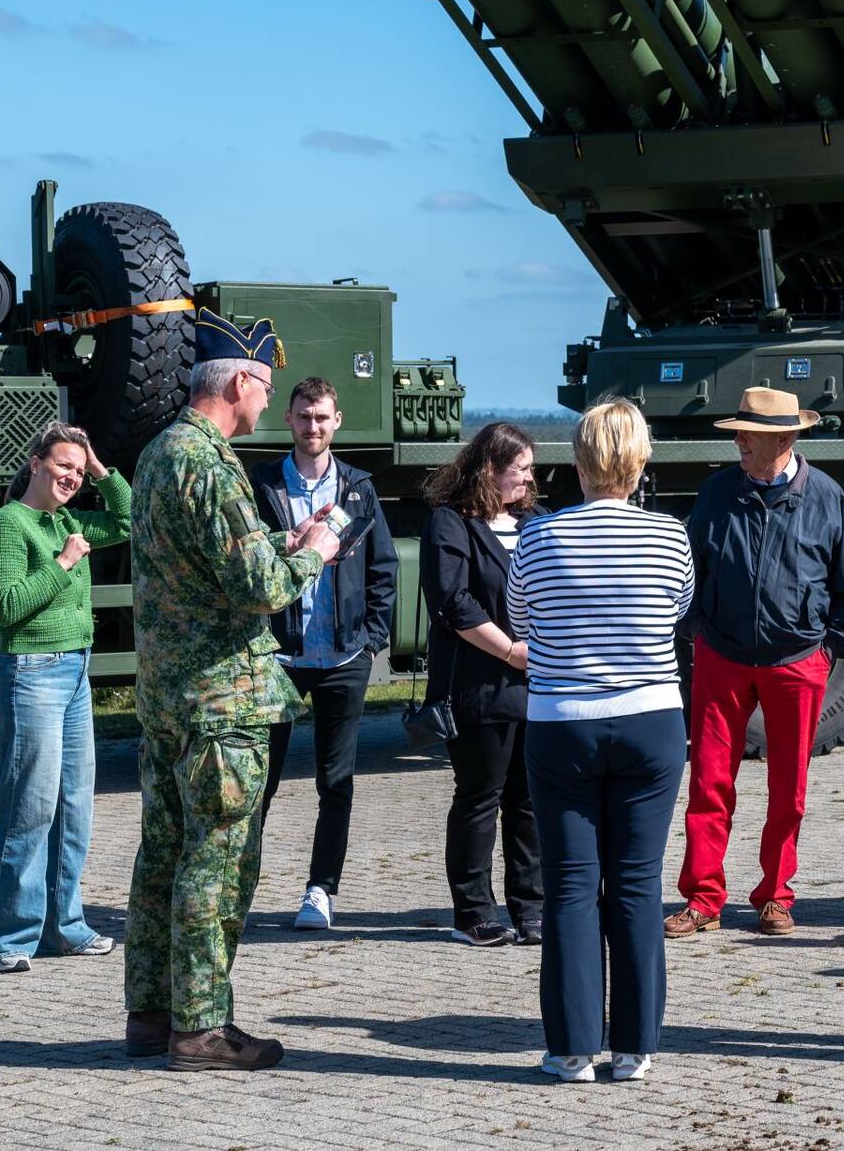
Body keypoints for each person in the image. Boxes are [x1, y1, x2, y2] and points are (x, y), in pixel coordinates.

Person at [122, 311, 344, 1070]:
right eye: (267, 386)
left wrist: (273, 540)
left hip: (169, 698)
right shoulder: (212, 464)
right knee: (214, 867)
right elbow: (258, 588)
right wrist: (312, 550)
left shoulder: (160, 453)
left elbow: (199, 563)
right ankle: (201, 1025)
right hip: (221, 703)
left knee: (162, 858)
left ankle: (151, 1013)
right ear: (242, 383)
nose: (268, 399)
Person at [506, 399, 693, 1083]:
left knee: (571, 886)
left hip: (563, 721)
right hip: (650, 718)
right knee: (638, 883)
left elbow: (520, 615)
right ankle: (636, 1045)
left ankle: (571, 1047)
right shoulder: (670, 536)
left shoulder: (538, 537)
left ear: (579, 461)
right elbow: (676, 609)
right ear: (639, 460)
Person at [666, 386, 844, 940]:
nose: (738, 442)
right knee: (708, 782)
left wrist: (829, 650)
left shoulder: (826, 496)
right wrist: (696, 636)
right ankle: (703, 897)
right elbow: (691, 571)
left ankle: (776, 896)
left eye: (748, 434)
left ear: (783, 438)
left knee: (789, 789)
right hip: (722, 660)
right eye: (737, 432)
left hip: (798, 663)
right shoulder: (715, 493)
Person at [0, 423, 132, 973]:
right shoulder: (7, 525)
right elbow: (10, 608)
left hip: (75, 670)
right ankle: (5, 938)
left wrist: (100, 467)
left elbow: (129, 520)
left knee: (73, 809)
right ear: (36, 463)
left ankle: (62, 928)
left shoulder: (69, 519)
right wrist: (63, 563)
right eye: (61, 464)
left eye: (77, 468)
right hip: (30, 673)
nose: (70, 476)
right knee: (28, 808)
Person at [253, 376, 398, 931]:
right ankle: (242, 888)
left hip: (342, 659)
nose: (312, 426)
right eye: (303, 416)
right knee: (257, 783)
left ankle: (320, 892)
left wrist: (371, 641)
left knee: (335, 782)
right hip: (278, 659)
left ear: (337, 422)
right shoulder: (262, 484)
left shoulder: (358, 488)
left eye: (322, 418)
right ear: (287, 420)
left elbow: (383, 568)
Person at [419, 422, 545, 947]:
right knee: (479, 797)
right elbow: (455, 602)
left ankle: (531, 907)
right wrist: (512, 650)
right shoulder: (451, 524)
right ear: (489, 471)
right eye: (520, 470)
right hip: (480, 685)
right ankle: (472, 911)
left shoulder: (537, 522)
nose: (528, 480)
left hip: (535, 688)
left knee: (528, 802)